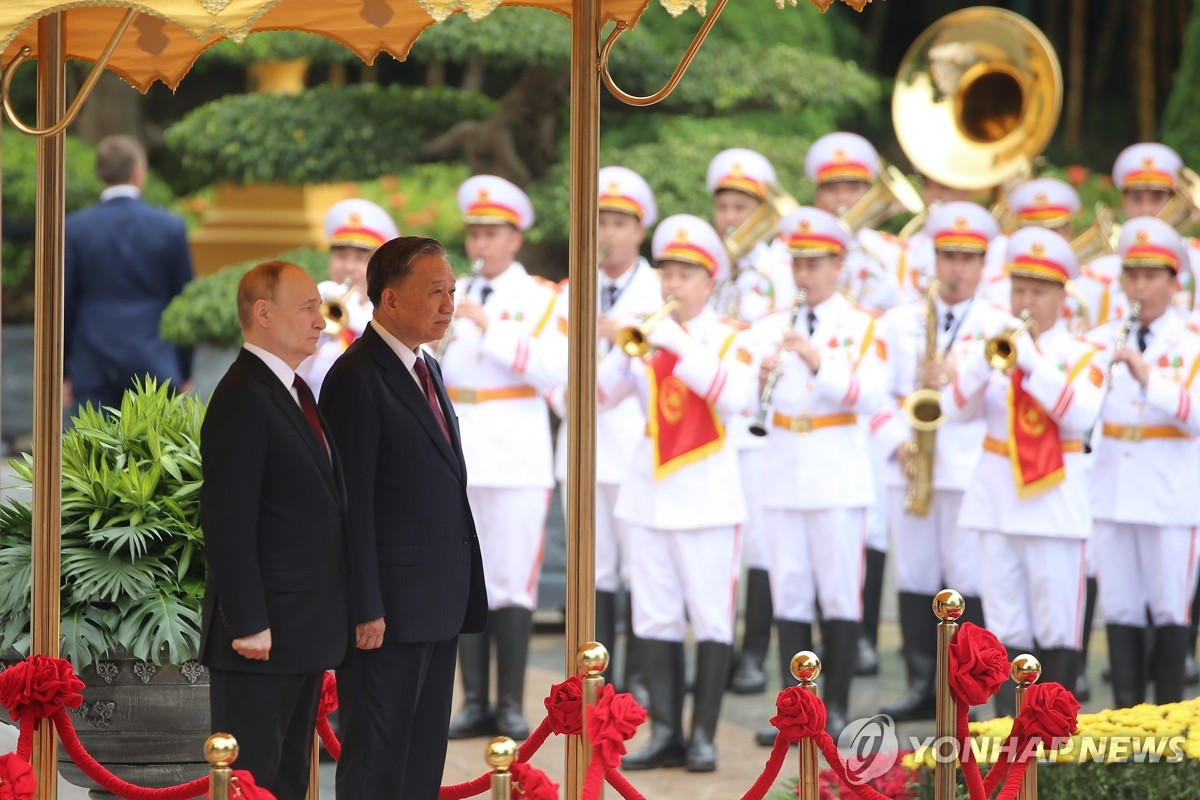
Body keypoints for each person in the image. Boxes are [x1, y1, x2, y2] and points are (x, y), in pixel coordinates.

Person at [319, 237, 488, 799]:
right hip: (387, 612)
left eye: (453, 292)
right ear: (389, 300)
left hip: (435, 600)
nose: (448, 305)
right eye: (435, 292)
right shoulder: (356, 377)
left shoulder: (426, 366)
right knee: (377, 762)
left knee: (421, 762)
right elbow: (352, 504)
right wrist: (366, 605)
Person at [605, 214, 755, 773]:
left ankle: (704, 737)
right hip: (647, 492)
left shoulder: (733, 336)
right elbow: (598, 398)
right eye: (667, 272)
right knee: (654, 617)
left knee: (712, 618)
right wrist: (620, 352)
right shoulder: (648, 333)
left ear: (709, 281)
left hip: (709, 496)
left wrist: (676, 343)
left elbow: (735, 395)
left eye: (685, 274)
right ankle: (665, 731)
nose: (672, 285)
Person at [198, 261, 351, 800]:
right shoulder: (243, 394)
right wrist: (248, 621)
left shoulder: (291, 389)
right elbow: (227, 518)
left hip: (301, 628)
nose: (321, 321)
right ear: (263, 313)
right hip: (261, 638)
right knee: (253, 782)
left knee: (287, 780)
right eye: (307, 307)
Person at [942, 226, 1102, 718]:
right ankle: (1008, 735)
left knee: (1057, 624)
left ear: (1061, 296)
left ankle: (1052, 731)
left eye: (1038, 290)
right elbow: (956, 410)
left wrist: (1031, 364)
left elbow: (1079, 416)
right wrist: (978, 367)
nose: (1026, 300)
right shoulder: (992, 345)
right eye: (1020, 289)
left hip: (1054, 506)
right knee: (1004, 624)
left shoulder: (1083, 355)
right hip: (997, 502)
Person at [747, 206, 886, 742]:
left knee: (838, 594)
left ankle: (843, 708)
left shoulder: (863, 324)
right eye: (798, 263)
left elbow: (869, 394)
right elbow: (742, 399)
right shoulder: (767, 326)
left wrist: (815, 361)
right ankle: (797, 713)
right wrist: (760, 377)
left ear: (839, 264)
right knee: (791, 592)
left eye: (816, 263)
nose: (805, 274)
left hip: (836, 473)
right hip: (783, 468)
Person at [440, 175, 568, 741]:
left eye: (492, 233)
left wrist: (489, 329)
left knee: (513, 581)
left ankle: (512, 703)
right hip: (460, 450)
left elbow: (554, 372)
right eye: (474, 233)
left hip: (516, 454)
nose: (480, 244)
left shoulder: (540, 297)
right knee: (467, 578)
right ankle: (474, 703)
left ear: (516, 239)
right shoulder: (451, 291)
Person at [872, 202, 1010, 721]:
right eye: (947, 256)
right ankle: (919, 684)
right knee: (914, 574)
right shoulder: (899, 320)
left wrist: (955, 378)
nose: (955, 268)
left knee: (967, 579)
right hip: (910, 463)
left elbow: (1001, 396)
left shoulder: (998, 326)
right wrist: (897, 443)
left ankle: (970, 691)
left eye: (966, 258)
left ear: (982, 265)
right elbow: (876, 395)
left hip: (969, 465)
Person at [547, 166, 663, 699]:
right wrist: (561, 396)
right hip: (581, 442)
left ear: (640, 230)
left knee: (640, 568)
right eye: (601, 221)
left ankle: (638, 682)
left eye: (620, 221)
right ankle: (595, 680)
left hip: (637, 444)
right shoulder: (572, 288)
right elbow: (550, 365)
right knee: (592, 572)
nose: (609, 233)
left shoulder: (661, 290)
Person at [1084, 217, 1200, 708]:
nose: (1140, 286)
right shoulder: (1099, 338)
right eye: (1132, 275)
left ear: (1175, 283)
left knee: (1171, 609)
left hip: (1171, 494)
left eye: (1152, 276)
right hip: (1111, 490)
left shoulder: (1192, 338)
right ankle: (1124, 721)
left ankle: (1171, 727)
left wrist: (1147, 377)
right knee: (1123, 608)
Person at [704, 147, 794, 695]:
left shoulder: (779, 268)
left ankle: (755, 653)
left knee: (760, 543)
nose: (733, 216)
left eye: (744, 205)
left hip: (760, 419)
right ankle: (725, 647)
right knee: (721, 538)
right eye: (726, 205)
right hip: (714, 418)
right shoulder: (706, 261)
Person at [64, 134, 193, 411]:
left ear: (100, 174)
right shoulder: (170, 227)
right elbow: (182, 301)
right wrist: (184, 368)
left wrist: (63, 370)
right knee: (153, 452)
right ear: (138, 172)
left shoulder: (75, 228)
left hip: (93, 360)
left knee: (92, 452)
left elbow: (64, 303)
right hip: (154, 360)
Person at [296, 198, 399, 397]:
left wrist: (357, 320)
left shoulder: (394, 314)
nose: (348, 267)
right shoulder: (324, 300)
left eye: (361, 258)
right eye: (341, 256)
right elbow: (294, 375)